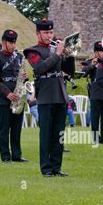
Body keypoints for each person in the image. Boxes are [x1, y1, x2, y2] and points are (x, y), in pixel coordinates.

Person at [24, 18, 75, 177]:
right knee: (46, 133)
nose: (49, 35)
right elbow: (40, 68)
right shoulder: (33, 51)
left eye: (51, 32)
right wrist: (58, 54)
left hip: (60, 93)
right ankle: (46, 168)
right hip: (45, 95)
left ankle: (56, 167)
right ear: (38, 33)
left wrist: (69, 54)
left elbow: (70, 71)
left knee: (59, 134)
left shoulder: (56, 48)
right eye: (46, 32)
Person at [0, 30, 28, 163]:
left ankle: (17, 155)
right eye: (10, 42)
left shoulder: (19, 57)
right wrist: (7, 93)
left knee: (16, 129)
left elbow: (21, 75)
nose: (13, 45)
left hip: (18, 97)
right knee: (4, 129)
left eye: (14, 42)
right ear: (4, 42)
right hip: (5, 98)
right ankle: (5, 156)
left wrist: (24, 77)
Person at [82, 41, 103, 144]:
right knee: (95, 117)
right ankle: (95, 138)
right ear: (95, 53)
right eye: (100, 51)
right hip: (95, 93)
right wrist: (92, 65)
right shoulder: (90, 62)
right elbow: (83, 73)